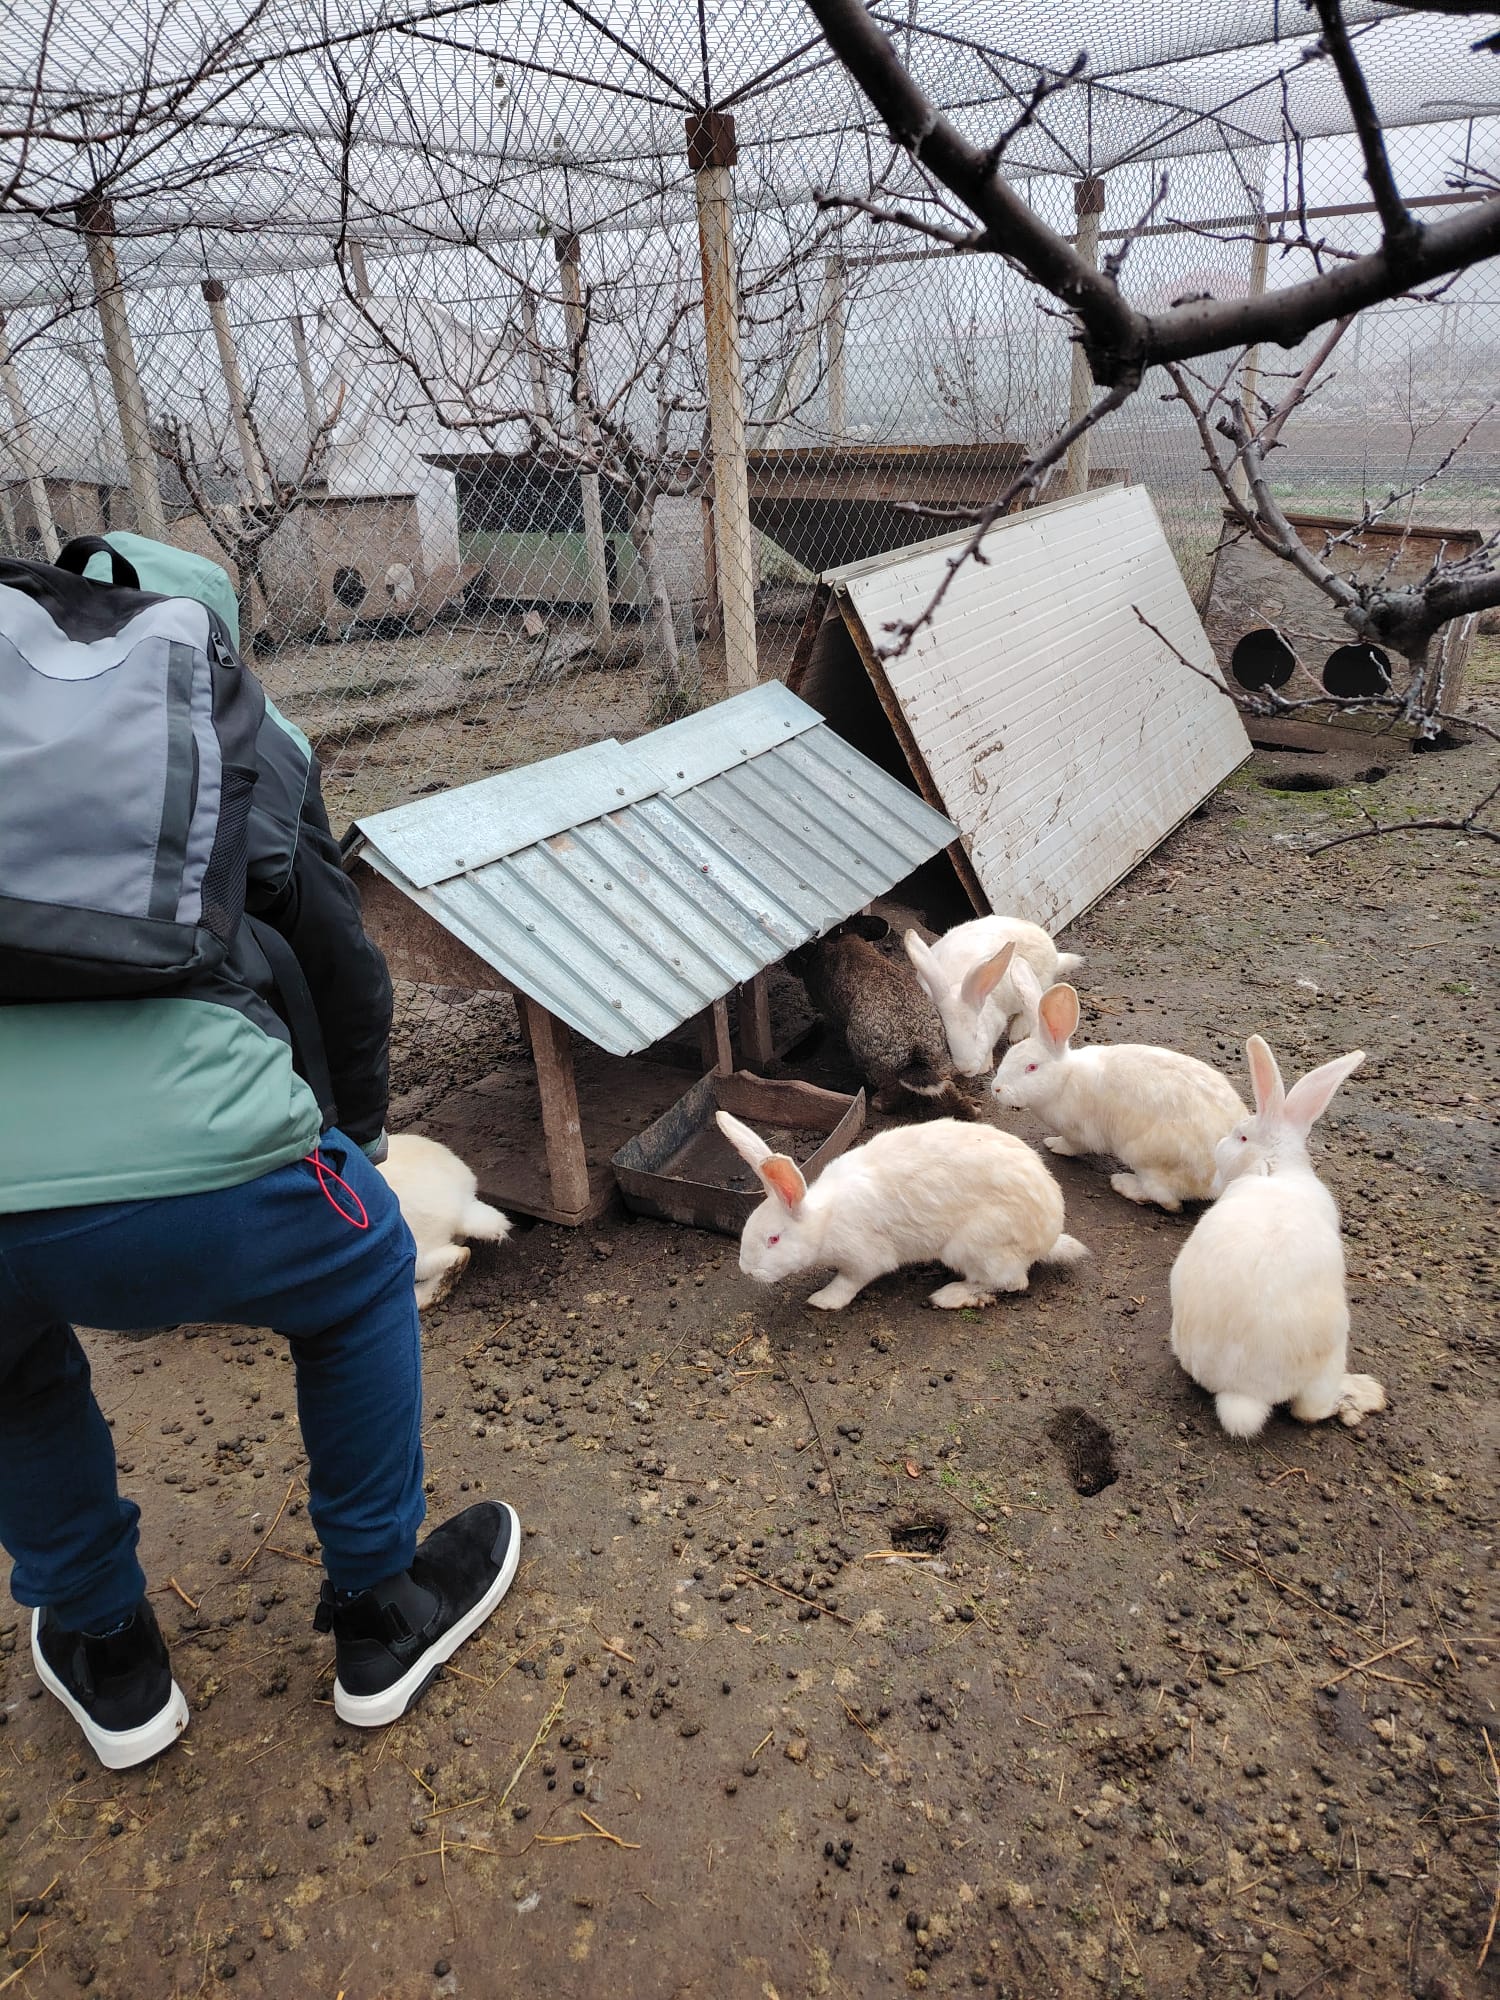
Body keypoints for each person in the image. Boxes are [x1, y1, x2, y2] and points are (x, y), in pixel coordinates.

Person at [0, 537, 519, 1771]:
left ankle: (108, 1648)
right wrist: (362, 1145)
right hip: (213, 1160)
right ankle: (379, 1608)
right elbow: (335, 956)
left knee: (10, 1370)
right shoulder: (233, 715)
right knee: (361, 1269)